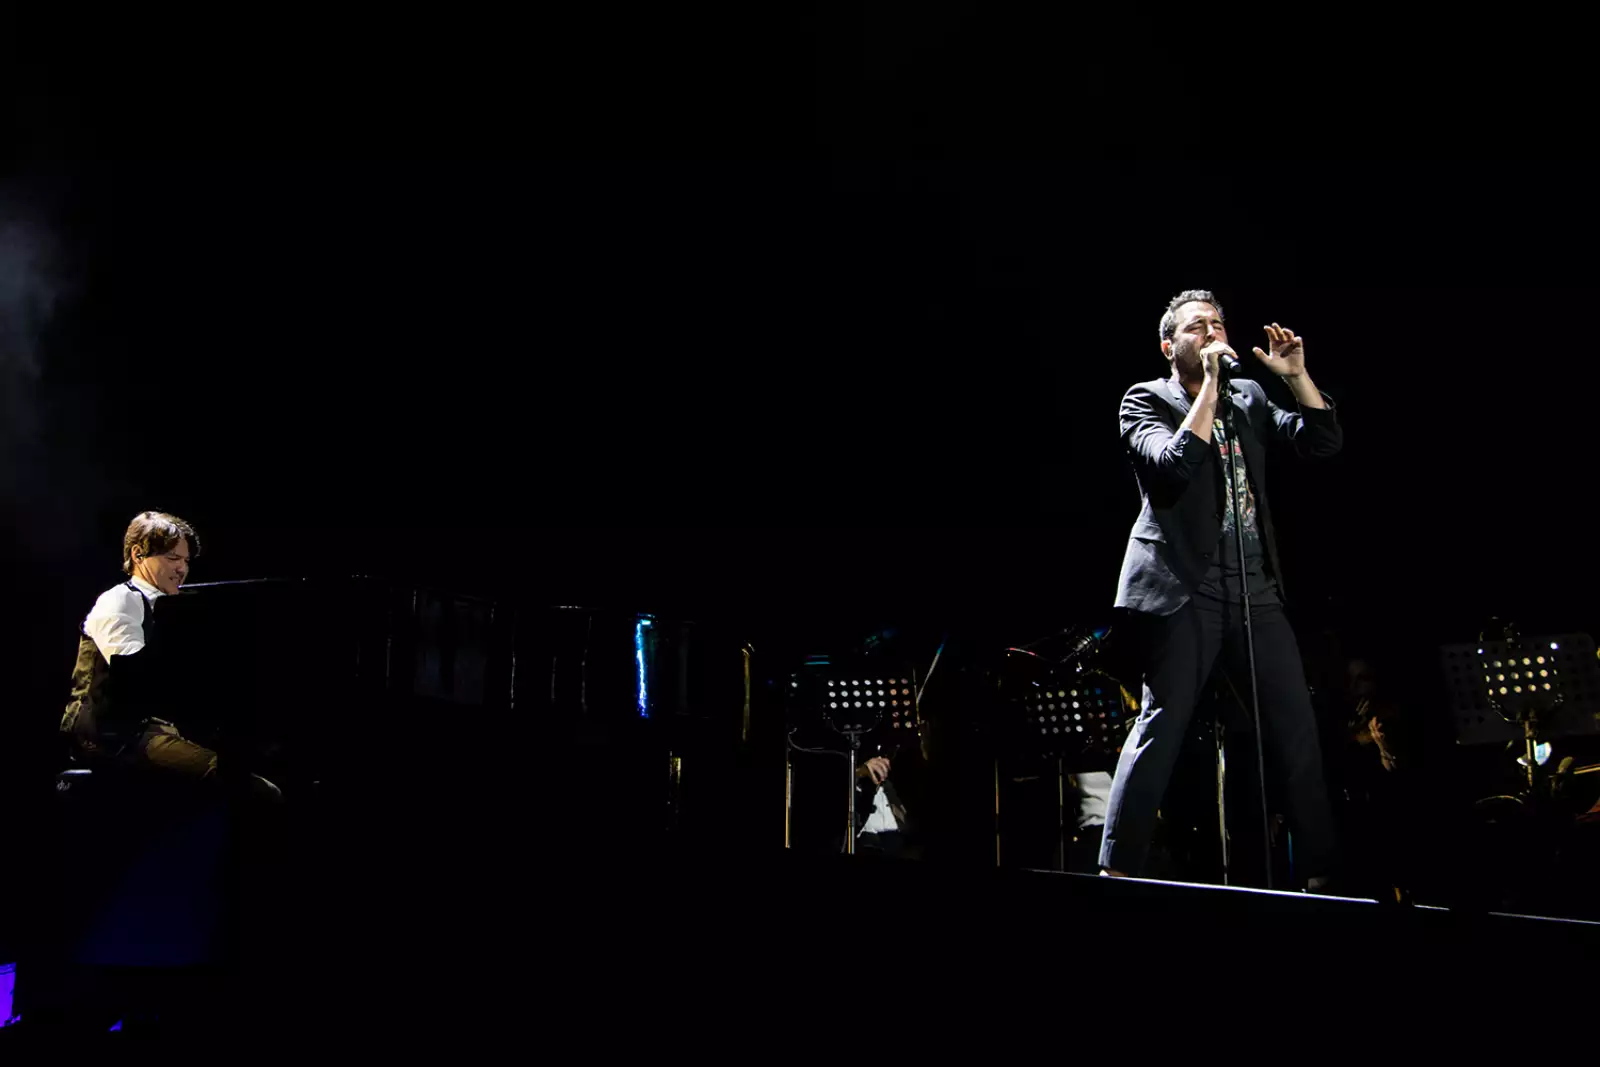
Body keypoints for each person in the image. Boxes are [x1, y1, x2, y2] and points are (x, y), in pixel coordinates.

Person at [1100, 290, 1340, 889]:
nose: (1211, 332)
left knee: (1296, 725)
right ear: (1168, 345)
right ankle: (1118, 865)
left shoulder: (1250, 396)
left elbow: (1322, 442)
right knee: (1163, 724)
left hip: (1255, 588)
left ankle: (1320, 872)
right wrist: (1208, 385)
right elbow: (1175, 465)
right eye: (1196, 327)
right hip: (1183, 588)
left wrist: (1297, 377)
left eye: (1218, 323)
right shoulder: (1144, 400)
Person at [60, 510, 279, 798]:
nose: (182, 569)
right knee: (257, 790)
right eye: (173, 558)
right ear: (138, 555)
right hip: (110, 737)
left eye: (186, 560)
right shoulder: (119, 600)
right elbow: (138, 681)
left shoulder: (169, 605)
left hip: (151, 729)